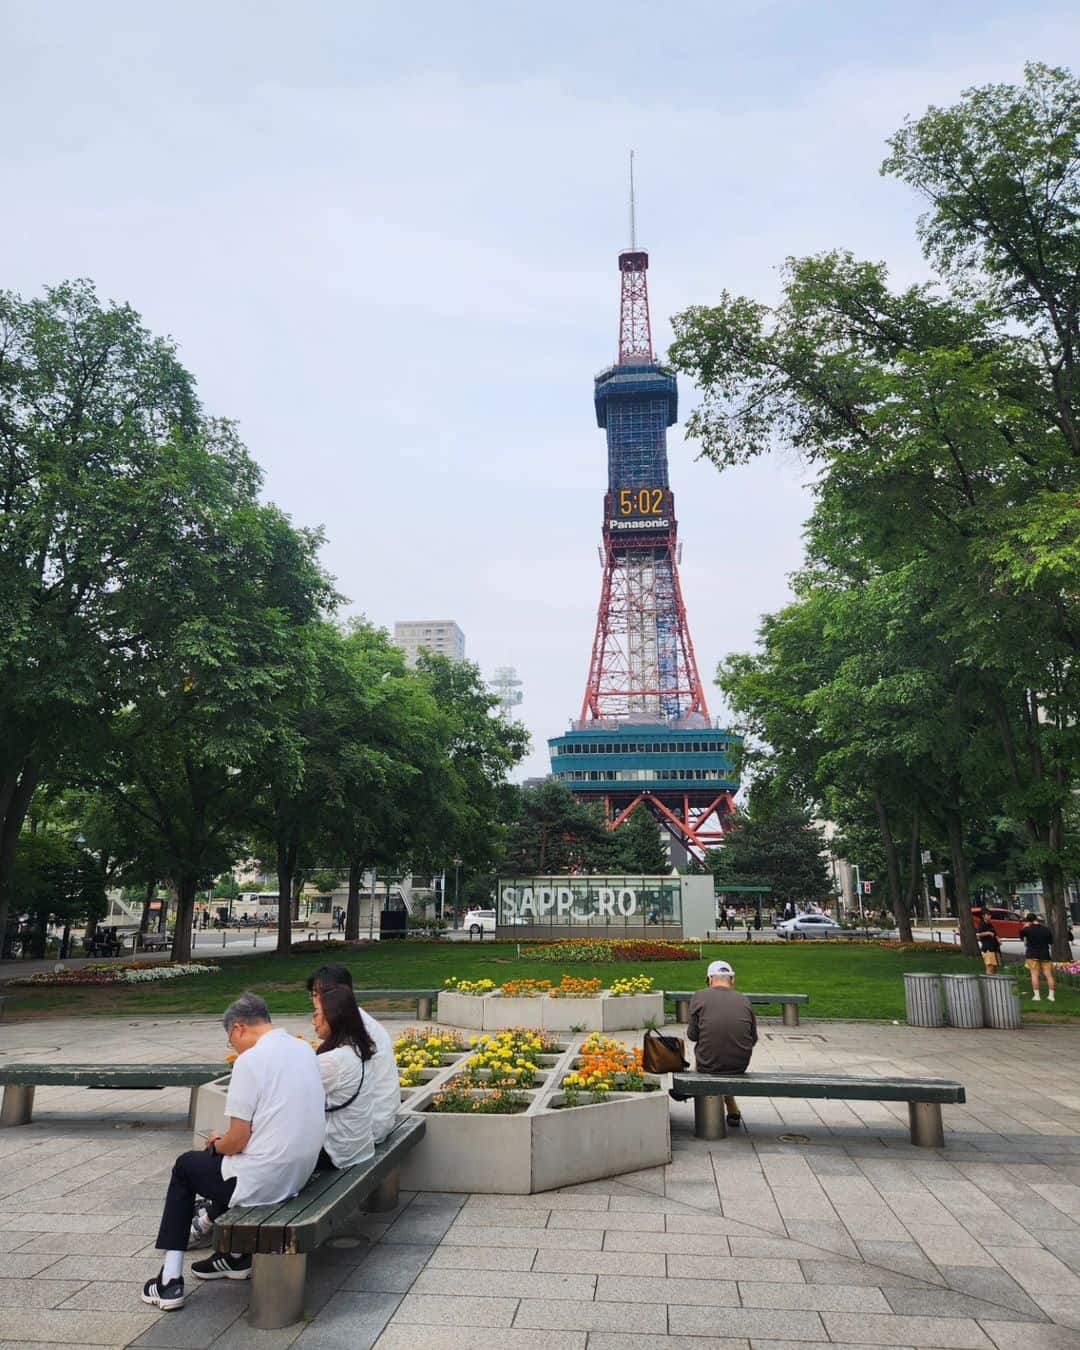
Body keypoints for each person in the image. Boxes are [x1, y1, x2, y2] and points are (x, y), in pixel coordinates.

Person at [142, 993, 324, 1312]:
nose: (234, 1047)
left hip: (267, 1180)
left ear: (239, 1027)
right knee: (225, 1163)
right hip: (299, 1171)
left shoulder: (250, 1061)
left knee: (186, 1167)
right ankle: (236, 1257)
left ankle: (169, 1280)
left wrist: (217, 1144)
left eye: (231, 1040)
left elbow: (238, 1141)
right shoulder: (303, 1050)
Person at [306, 965, 401, 1141]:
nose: (318, 1000)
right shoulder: (354, 1022)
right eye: (314, 994)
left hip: (368, 1126)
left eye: (324, 993)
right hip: (370, 1121)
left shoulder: (357, 1032)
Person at [680, 959, 757, 1128]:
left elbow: (692, 1036)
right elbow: (753, 1038)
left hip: (708, 1064)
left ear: (709, 979)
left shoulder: (699, 996)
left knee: (710, 1055)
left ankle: (711, 1115)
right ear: (732, 980)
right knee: (720, 1054)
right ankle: (732, 1108)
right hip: (739, 1065)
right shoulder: (744, 1000)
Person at [311, 983, 377, 1167]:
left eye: (316, 1014)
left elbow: (291, 1098)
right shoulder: (359, 1049)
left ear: (332, 1018)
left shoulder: (333, 1061)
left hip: (337, 1153)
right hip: (360, 1147)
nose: (313, 1021)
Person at [1021, 912, 1056, 1002]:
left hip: (1032, 954)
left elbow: (1021, 937)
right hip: (1045, 954)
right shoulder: (1046, 929)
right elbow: (1050, 941)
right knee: (1048, 975)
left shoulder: (1027, 929)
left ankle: (1037, 996)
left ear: (1028, 921)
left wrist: (1025, 927)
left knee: (1034, 974)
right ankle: (1051, 995)